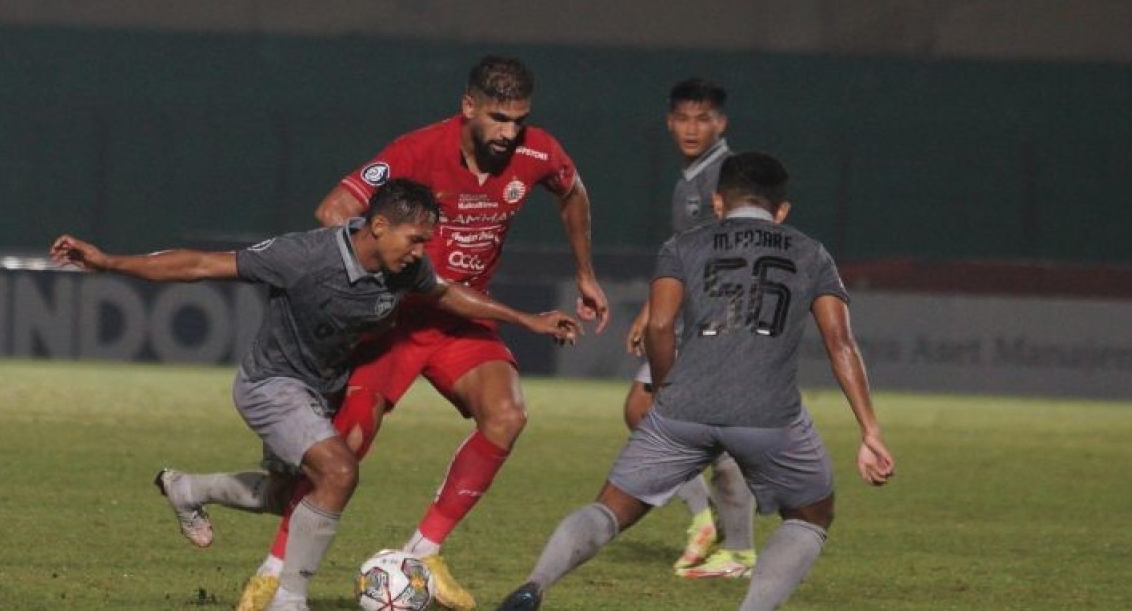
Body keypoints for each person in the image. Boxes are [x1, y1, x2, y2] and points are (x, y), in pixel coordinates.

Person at [47, 179, 583, 611]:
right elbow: (202, 264)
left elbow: (445, 294)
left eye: (425, 241)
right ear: (377, 225)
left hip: (319, 389)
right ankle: (290, 598)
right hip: (272, 385)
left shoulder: (407, 268)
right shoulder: (303, 256)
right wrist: (109, 263)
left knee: (292, 496)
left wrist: (525, 320)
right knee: (340, 472)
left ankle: (187, 488)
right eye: (415, 239)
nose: (422, 251)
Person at [235, 56, 611, 611]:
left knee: (506, 415)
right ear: (468, 108)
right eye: (499, 118)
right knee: (343, 453)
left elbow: (573, 192)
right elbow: (334, 209)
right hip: (395, 322)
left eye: (519, 120)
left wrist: (584, 272)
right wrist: (372, 273)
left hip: (462, 320)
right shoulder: (415, 152)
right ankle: (275, 571)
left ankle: (424, 551)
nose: (510, 133)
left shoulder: (538, 153)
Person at [494, 151, 896, 611]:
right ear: (781, 210)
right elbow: (840, 343)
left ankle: (534, 586)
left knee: (610, 508)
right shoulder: (810, 253)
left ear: (718, 202)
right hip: (768, 417)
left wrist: (666, 395)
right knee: (811, 516)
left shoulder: (684, 245)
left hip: (681, 410)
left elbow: (660, 325)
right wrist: (870, 431)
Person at [622, 78, 757, 578]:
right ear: (669, 121)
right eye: (683, 117)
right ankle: (706, 519)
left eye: (704, 119)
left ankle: (736, 547)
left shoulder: (724, 174)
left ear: (721, 123)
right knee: (643, 409)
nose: (692, 127)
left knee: (707, 429)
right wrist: (653, 310)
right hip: (689, 314)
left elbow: (734, 247)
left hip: (714, 318)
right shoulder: (695, 175)